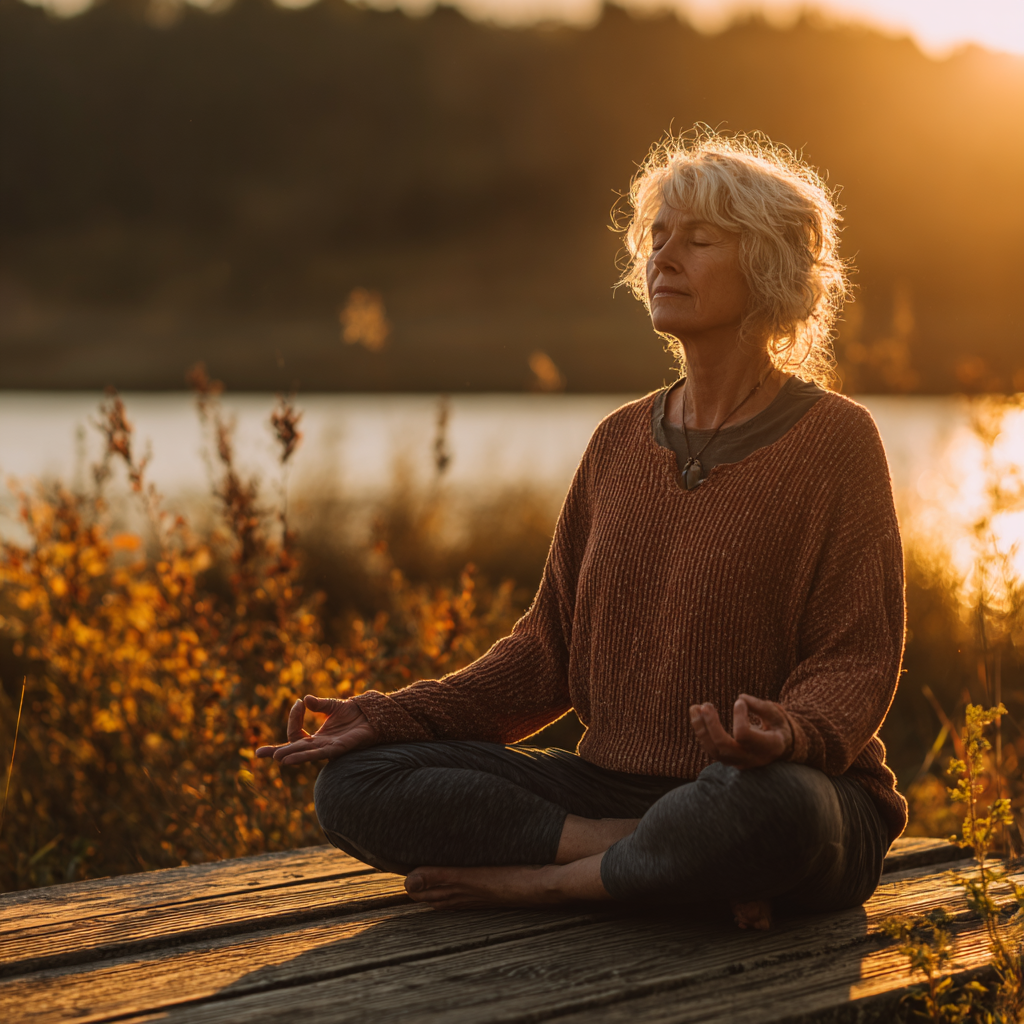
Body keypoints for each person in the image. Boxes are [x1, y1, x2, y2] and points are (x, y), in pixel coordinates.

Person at [257, 130, 907, 929]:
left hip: (772, 785)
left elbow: (857, 653)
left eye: (699, 240)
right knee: (356, 782)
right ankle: (639, 853)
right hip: (610, 789)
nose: (664, 257)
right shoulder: (618, 443)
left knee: (782, 814)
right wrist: (392, 717)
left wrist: (792, 733)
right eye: (657, 237)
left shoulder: (835, 440)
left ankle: (555, 883)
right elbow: (544, 656)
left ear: (769, 268)